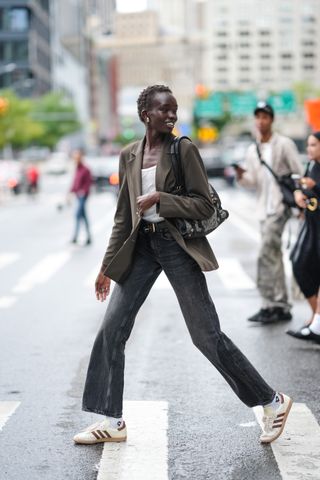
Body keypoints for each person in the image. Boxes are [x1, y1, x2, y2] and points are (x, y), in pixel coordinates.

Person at [73, 85, 292, 446]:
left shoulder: (182, 149)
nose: (171, 116)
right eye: (164, 110)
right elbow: (122, 217)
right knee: (112, 328)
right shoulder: (129, 154)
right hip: (141, 246)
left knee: (206, 336)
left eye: (174, 110)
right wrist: (106, 268)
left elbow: (205, 204)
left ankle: (272, 402)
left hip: (175, 245)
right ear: (146, 114)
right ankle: (111, 421)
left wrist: (162, 198)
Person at [235, 101, 303, 324]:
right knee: (273, 255)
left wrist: (301, 201)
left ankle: (268, 304)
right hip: (263, 209)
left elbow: (297, 173)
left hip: (279, 207)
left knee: (265, 253)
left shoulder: (284, 144)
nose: (261, 121)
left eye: (265, 117)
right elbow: (253, 182)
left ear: (272, 120)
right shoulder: (252, 149)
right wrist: (241, 176)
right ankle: (281, 305)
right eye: (258, 117)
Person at [287, 131, 320, 342]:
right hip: (311, 225)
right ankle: (316, 318)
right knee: (299, 264)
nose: (309, 149)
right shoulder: (311, 166)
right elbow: (301, 189)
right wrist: (299, 194)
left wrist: (314, 186)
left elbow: (313, 187)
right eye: (308, 145)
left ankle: (316, 322)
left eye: (313, 145)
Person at [69, 148, 92, 245]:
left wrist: (84, 192)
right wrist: (70, 192)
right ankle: (88, 237)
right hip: (78, 195)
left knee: (78, 215)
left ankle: (75, 236)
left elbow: (88, 183)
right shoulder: (77, 168)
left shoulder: (86, 169)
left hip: (83, 196)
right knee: (83, 216)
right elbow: (75, 182)